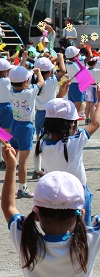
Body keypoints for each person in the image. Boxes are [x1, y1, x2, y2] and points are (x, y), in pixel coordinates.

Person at [1, 150, 100, 277]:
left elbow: (8, 206)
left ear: (36, 215)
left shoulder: (26, 239)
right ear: (80, 214)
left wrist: (11, 167)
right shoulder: (89, 240)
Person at [36, 97, 100, 227]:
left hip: (53, 195)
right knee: (82, 232)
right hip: (78, 194)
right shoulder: (75, 142)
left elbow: (53, 114)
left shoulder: (42, 141)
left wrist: (60, 95)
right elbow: (95, 123)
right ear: (71, 125)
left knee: (58, 228)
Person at [8, 65, 44, 199]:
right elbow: (41, 82)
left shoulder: (10, 90)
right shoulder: (30, 92)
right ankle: (22, 188)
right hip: (26, 127)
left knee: (13, 158)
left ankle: (11, 186)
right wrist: (38, 72)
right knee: (23, 161)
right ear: (25, 82)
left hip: (14, 125)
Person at [32, 57, 59, 180]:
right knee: (52, 141)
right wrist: (60, 58)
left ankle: (37, 169)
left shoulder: (34, 82)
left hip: (39, 113)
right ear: (49, 72)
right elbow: (62, 70)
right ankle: (49, 168)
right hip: (51, 114)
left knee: (39, 142)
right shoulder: (52, 81)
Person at [0, 58, 13, 169]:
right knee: (6, 135)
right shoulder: (7, 81)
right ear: (5, 71)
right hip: (7, 107)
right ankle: (6, 159)